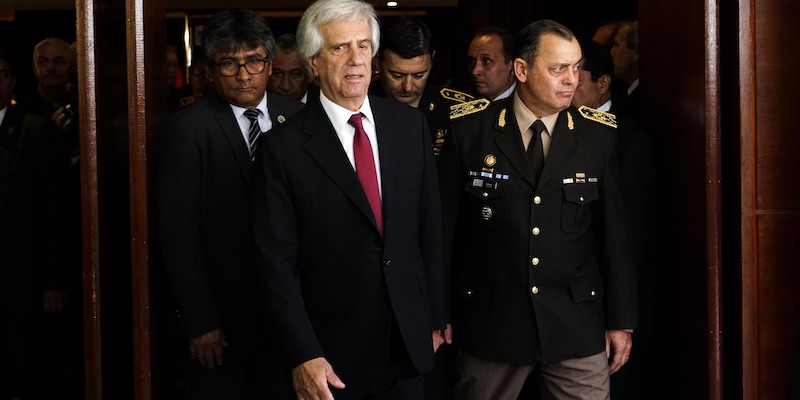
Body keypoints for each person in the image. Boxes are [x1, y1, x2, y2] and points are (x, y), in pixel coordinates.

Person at [251, 0, 446, 398]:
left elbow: (429, 229)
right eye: (340, 48)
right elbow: (275, 264)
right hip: (331, 358)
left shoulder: (409, 126)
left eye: (363, 46)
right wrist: (303, 353)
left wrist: (437, 318)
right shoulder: (282, 148)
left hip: (408, 347)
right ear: (313, 62)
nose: (356, 59)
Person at [438, 19, 637, 400]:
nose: (571, 80)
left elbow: (615, 237)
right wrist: (437, 313)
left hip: (576, 323)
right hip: (492, 323)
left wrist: (621, 320)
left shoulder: (599, 136)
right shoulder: (469, 132)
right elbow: (446, 233)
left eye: (576, 68)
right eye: (558, 68)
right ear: (522, 70)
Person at [155, 9, 303, 400]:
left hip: (288, 319)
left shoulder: (302, 118)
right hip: (221, 320)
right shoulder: (185, 130)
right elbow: (178, 235)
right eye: (229, 63)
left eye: (254, 61)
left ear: (269, 64)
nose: (244, 74)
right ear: (209, 70)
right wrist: (200, 321)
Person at [572, 40, 658, 400]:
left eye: (577, 76)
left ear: (603, 84)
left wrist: (619, 315)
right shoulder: (564, 128)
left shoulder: (629, 140)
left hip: (606, 302)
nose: (567, 84)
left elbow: (630, 238)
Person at [0, 50, 77, 400]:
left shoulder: (35, 129)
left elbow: (55, 211)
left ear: (12, 81)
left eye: (1, 73)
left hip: (24, 281)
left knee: (29, 372)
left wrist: (55, 281)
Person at [372, 16, 473, 157]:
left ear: (432, 61)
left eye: (418, 75)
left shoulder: (458, 109)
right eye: (397, 75)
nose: (408, 87)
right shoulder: (361, 104)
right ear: (377, 62)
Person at [467, 26, 515, 101]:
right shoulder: (463, 104)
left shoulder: (528, 107)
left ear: (512, 66)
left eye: (486, 61)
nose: (475, 71)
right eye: (472, 61)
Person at [610, 19, 642, 124]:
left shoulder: (641, 101)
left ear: (637, 52)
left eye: (616, 45)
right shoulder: (627, 93)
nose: (611, 52)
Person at [267, 34, 313, 103]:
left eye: (295, 74)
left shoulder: (323, 108)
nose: (286, 86)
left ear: (309, 74)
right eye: (277, 74)